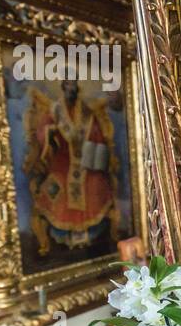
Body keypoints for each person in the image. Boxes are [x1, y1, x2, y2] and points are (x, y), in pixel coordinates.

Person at [23, 77, 119, 256]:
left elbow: (97, 136)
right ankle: (62, 237)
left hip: (87, 162)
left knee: (95, 185)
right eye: (67, 86)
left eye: (73, 85)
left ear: (77, 88)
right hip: (61, 161)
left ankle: (90, 234)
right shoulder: (54, 111)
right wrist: (49, 135)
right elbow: (43, 134)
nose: (71, 89)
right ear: (63, 88)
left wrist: (98, 156)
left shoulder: (87, 113)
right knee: (55, 187)